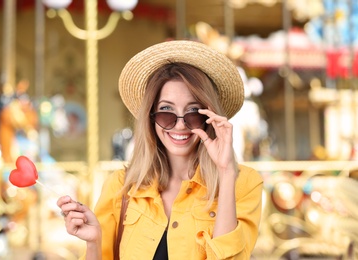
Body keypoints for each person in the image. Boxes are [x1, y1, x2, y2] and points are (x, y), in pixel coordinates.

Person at [57, 40, 263, 259]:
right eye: (166, 111)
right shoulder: (121, 186)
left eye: (193, 111)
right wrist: (94, 242)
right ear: (151, 117)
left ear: (208, 118)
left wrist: (226, 172)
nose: (180, 124)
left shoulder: (244, 184)